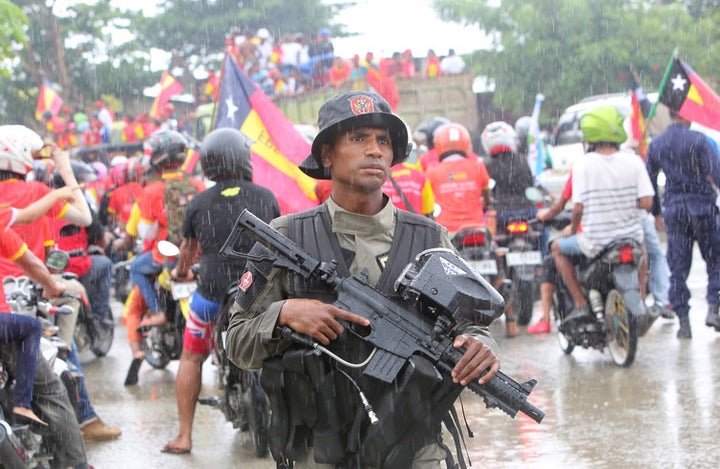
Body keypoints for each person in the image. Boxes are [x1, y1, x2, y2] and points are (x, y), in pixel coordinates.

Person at [225, 90, 500, 467]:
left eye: (383, 141)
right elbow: (236, 343)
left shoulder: (429, 239)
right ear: (326, 155)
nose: (374, 151)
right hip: (321, 452)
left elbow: (471, 325)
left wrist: (482, 345)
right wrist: (285, 313)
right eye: (358, 139)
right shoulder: (286, 237)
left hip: (413, 450)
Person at [161, 128, 280, 454]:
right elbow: (277, 243)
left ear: (207, 164)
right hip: (256, 293)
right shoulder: (264, 196)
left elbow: (187, 249)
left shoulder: (199, 202)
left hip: (212, 295)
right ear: (243, 158)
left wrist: (180, 272)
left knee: (191, 357)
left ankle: (184, 436)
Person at [552, 106, 654, 329]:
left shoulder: (583, 165)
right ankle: (642, 300)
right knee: (643, 251)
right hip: (630, 239)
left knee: (557, 247)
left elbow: (577, 208)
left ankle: (580, 302)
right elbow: (647, 203)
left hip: (595, 242)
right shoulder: (634, 161)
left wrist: (572, 227)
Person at [125, 130, 204, 382]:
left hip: (167, 257)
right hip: (197, 255)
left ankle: (159, 310)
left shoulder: (152, 190)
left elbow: (146, 232)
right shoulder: (197, 184)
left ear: (157, 158)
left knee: (136, 268)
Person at [646, 109, 720, 339]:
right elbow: (716, 174)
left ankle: (684, 322)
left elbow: (649, 182)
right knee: (715, 260)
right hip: (702, 208)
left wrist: (657, 213)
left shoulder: (657, 143)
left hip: (675, 210)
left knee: (677, 268)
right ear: (687, 115)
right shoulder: (699, 140)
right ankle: (714, 307)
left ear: (669, 114)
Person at [481, 120, 549, 255]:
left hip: (500, 214)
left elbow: (485, 193)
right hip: (526, 211)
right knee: (544, 231)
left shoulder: (485, 165)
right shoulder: (522, 160)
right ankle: (544, 257)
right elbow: (531, 184)